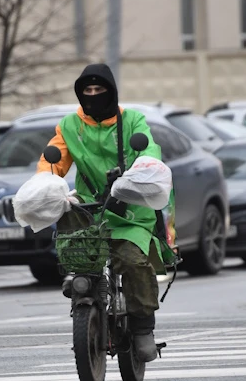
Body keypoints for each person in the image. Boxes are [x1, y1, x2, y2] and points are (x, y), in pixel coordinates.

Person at [36, 63, 174, 362]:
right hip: (90, 209)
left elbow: (148, 151)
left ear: (111, 92)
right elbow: (53, 160)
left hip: (131, 209)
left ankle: (142, 327)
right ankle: (88, 305)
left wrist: (136, 178)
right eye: (87, 91)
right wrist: (45, 184)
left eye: (100, 90)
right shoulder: (70, 125)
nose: (94, 95)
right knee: (80, 260)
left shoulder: (133, 120)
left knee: (131, 261)